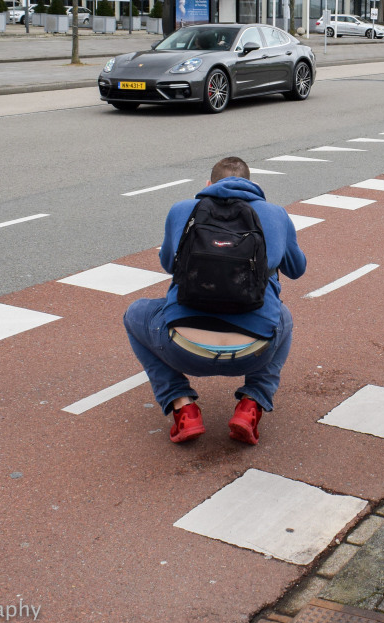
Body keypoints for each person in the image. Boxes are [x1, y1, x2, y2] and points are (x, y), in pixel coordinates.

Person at [123, 157, 307, 445]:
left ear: (208, 185)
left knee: (135, 314)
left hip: (183, 347)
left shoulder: (183, 209)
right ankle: (251, 404)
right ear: (254, 186)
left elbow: (168, 266)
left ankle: (182, 405)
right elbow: (297, 269)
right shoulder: (275, 214)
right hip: (254, 349)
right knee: (283, 317)